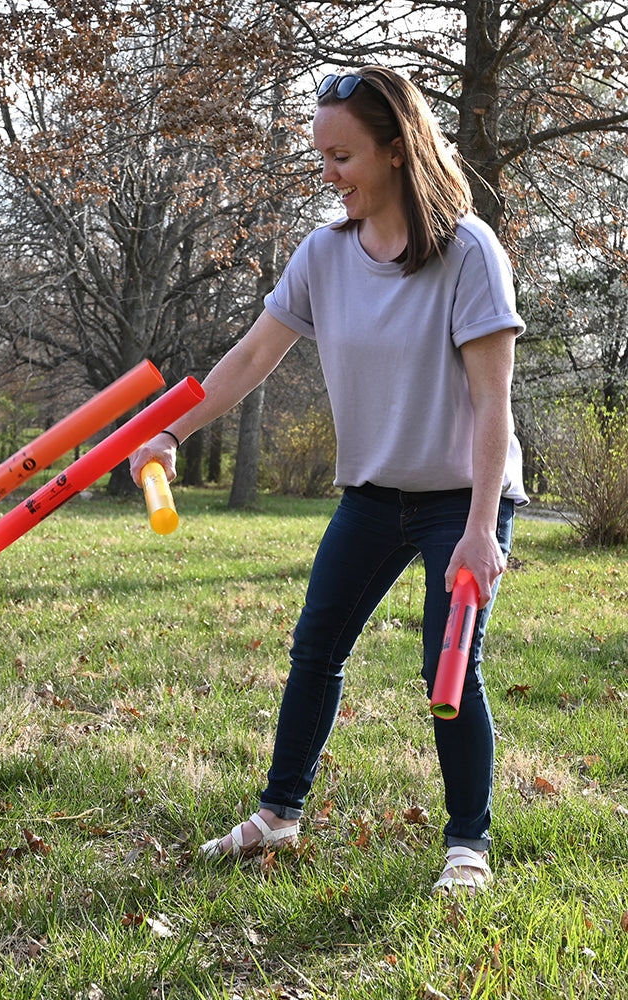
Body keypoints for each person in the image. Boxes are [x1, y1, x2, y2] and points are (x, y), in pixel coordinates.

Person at [129, 66, 526, 896]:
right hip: (375, 494)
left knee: (448, 667)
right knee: (316, 647)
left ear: (393, 150)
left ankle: (466, 846)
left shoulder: (467, 252)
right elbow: (247, 359)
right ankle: (278, 816)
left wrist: (483, 530)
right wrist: (169, 429)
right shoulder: (324, 255)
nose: (329, 173)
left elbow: (495, 407)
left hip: (461, 496)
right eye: (322, 156)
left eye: (342, 156)